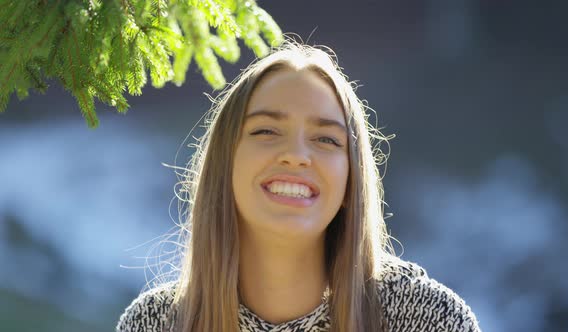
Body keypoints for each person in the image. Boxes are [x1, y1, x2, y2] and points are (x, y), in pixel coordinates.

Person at [116, 40, 481, 332]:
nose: (296, 155)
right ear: (224, 164)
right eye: (266, 131)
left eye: (326, 140)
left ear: (351, 181)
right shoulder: (155, 323)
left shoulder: (426, 320)